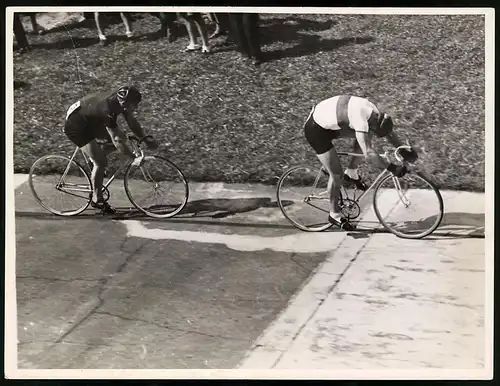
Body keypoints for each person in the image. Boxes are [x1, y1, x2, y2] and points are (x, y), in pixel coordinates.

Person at [303, 95, 418, 231]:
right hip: (316, 130)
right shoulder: (360, 120)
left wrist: (403, 150)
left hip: (330, 117)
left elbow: (387, 133)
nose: (376, 134)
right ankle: (334, 214)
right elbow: (368, 154)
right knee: (337, 174)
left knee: (366, 134)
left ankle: (351, 172)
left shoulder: (374, 113)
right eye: (376, 132)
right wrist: (392, 167)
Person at [63, 85, 159, 214]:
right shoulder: (109, 109)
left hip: (90, 117)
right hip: (76, 126)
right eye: (126, 105)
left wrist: (145, 139)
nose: (129, 108)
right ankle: (97, 199)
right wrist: (133, 159)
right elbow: (117, 139)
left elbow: (131, 121)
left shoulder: (121, 99)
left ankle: (95, 159)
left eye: (131, 105)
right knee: (102, 161)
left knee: (121, 138)